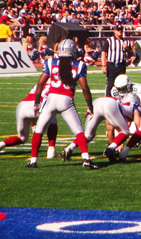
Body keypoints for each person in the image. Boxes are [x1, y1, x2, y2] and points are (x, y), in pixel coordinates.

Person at [26, 39, 97, 169]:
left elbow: (40, 84)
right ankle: (85, 158)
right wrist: (90, 105)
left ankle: (33, 160)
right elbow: (85, 88)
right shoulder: (79, 65)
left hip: (51, 99)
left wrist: (37, 102)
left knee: (39, 130)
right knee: (79, 132)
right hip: (66, 100)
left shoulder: (50, 62)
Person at [62, 93, 141, 163]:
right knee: (125, 132)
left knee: (88, 135)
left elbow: (110, 128)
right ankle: (110, 149)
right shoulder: (135, 108)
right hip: (110, 104)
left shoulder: (123, 105)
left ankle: (69, 149)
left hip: (97, 102)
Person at [0, 82, 58, 159]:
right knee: (53, 119)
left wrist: (33, 124)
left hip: (22, 106)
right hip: (38, 105)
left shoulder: (40, 83)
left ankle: (1, 144)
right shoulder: (57, 84)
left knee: (22, 138)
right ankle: (51, 150)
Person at [101, 25, 128, 142]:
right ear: (114, 31)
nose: (120, 32)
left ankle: (121, 101)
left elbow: (131, 53)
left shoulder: (124, 41)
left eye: (121, 30)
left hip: (121, 65)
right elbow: (103, 52)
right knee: (110, 84)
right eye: (118, 30)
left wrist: (127, 48)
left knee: (122, 85)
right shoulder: (109, 41)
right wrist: (103, 65)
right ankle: (108, 101)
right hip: (112, 65)